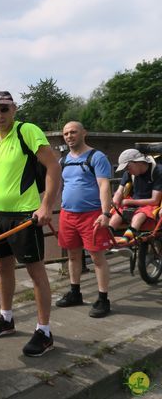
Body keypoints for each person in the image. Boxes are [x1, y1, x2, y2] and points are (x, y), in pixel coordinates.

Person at [0, 91, 61, 357]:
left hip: (25, 214)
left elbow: (54, 167)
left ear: (14, 109)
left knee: (36, 272)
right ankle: (6, 318)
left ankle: (44, 332)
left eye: (4, 109)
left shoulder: (27, 131)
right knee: (3, 268)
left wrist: (45, 205)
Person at [56, 121, 113, 318]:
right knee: (73, 255)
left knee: (97, 257)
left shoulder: (97, 157)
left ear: (83, 133)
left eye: (73, 132)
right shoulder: (63, 161)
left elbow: (104, 185)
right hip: (67, 214)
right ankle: (75, 292)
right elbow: (56, 185)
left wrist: (106, 213)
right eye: (65, 134)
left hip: (92, 215)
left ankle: (103, 299)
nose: (69, 136)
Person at [109, 149, 162, 243]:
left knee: (140, 214)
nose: (127, 170)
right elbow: (119, 191)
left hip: (151, 204)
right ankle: (107, 235)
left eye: (128, 167)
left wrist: (129, 202)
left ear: (138, 162)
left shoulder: (158, 171)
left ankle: (126, 239)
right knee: (117, 212)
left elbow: (155, 200)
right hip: (134, 201)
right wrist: (116, 199)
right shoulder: (129, 172)